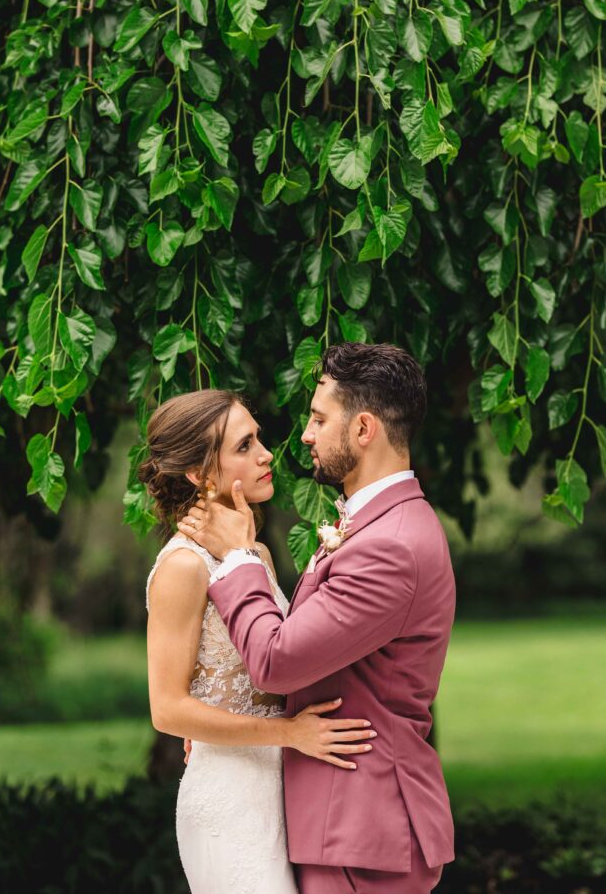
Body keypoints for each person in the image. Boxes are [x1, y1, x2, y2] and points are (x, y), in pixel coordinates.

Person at [178, 343, 456, 894]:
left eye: (319, 418)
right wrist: (217, 722)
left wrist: (237, 558)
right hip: (343, 822)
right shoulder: (378, 525)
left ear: (364, 429)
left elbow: (279, 662)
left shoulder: (389, 546)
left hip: (360, 825)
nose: (304, 434)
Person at [139, 389, 378, 894]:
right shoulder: (183, 567)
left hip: (284, 792)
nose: (267, 454)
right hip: (230, 802)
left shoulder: (257, 556)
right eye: (245, 446)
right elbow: (166, 709)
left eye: (258, 439)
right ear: (201, 475)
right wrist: (289, 733)